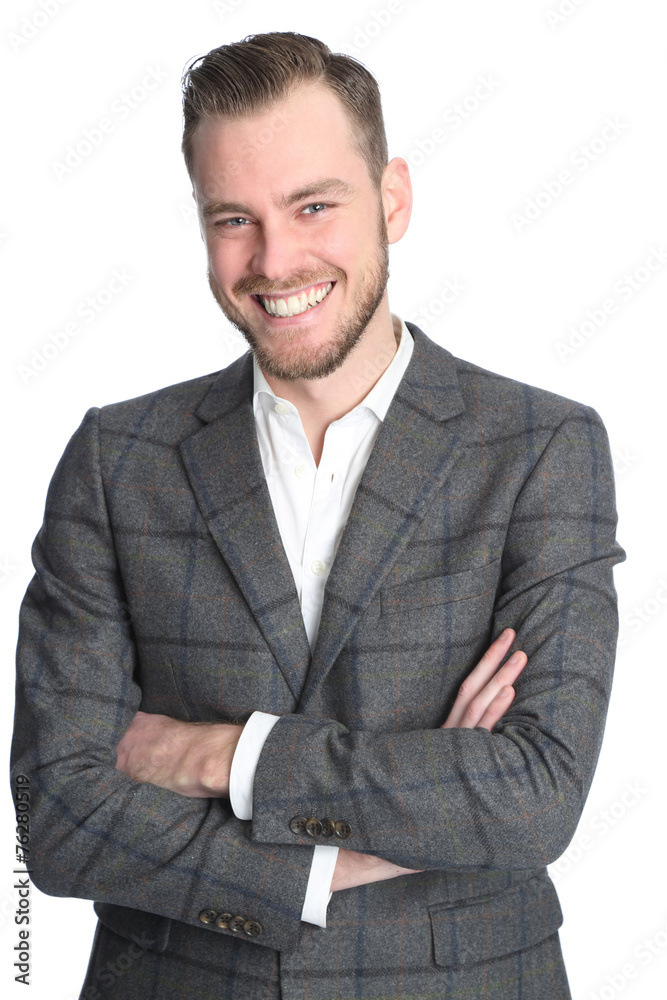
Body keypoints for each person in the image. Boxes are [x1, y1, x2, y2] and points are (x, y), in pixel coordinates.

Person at [11, 31, 625, 1000]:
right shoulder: (115, 459)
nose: (274, 257)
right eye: (233, 219)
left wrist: (226, 755)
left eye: (312, 206)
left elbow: (533, 800)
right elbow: (56, 818)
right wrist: (340, 856)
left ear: (392, 199)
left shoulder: (541, 448)